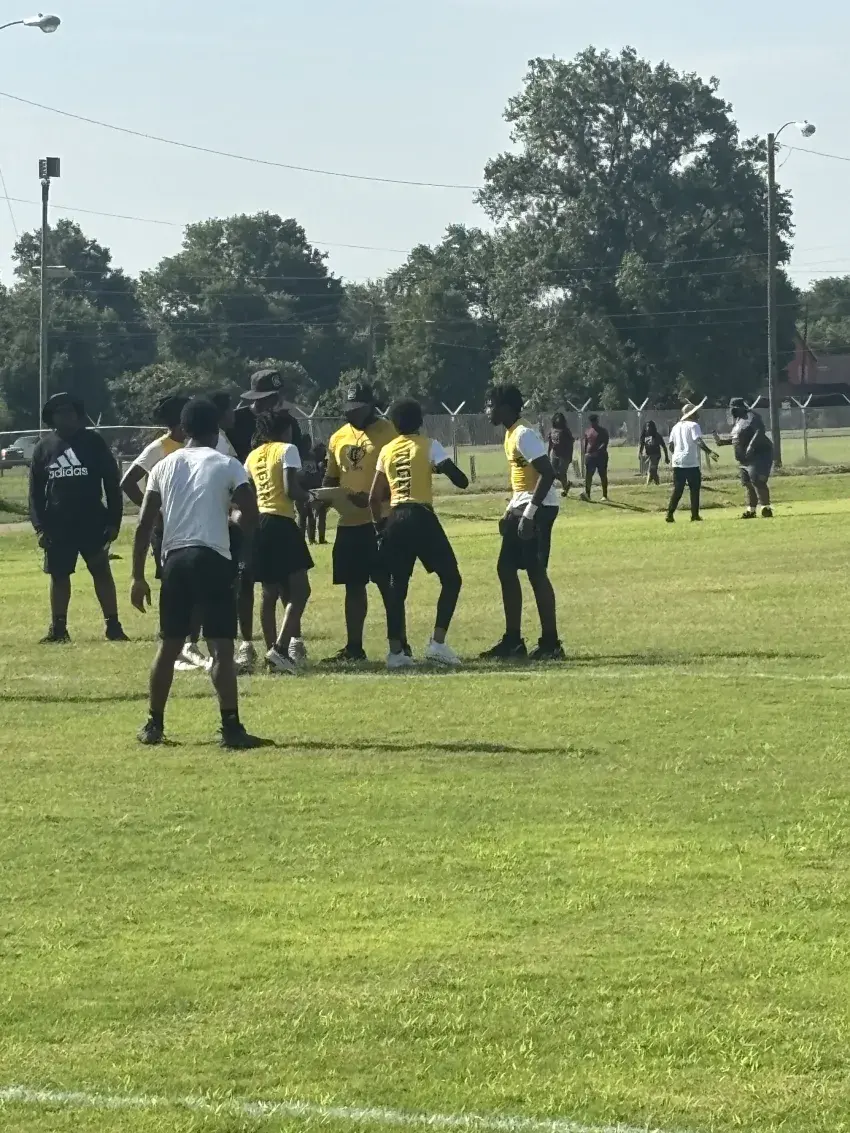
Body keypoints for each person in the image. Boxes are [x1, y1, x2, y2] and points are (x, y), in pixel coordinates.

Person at [131, 398, 266, 750]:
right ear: (216, 430)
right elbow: (250, 512)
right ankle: (231, 728)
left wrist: (137, 576)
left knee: (169, 646)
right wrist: (237, 530)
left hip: (175, 559)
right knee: (221, 647)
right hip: (212, 557)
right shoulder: (227, 463)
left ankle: (154, 724)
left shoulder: (163, 465)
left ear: (184, 428)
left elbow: (144, 523)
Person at [121, 394, 235, 672]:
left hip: (206, 526)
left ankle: (191, 642)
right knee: (179, 590)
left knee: (201, 590)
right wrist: (158, 513)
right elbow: (128, 482)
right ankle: (180, 643)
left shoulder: (211, 442)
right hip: (172, 529)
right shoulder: (160, 449)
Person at [369, 398, 469, 669]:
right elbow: (460, 480)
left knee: (396, 587)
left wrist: (380, 528)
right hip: (421, 516)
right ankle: (438, 643)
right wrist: (440, 468)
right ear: (421, 422)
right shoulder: (429, 445)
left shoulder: (387, 451)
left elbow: (374, 498)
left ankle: (396, 653)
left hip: (395, 519)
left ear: (393, 424)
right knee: (451, 578)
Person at [29, 392, 128, 644]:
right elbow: (35, 493)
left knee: (101, 571)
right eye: (60, 413)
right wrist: (39, 527)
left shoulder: (93, 442)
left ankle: (113, 626)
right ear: (52, 418)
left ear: (77, 415)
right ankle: (58, 629)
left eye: (70, 412)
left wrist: (113, 521)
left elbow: (111, 483)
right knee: (59, 576)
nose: (66, 417)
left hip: (92, 521)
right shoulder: (44, 448)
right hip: (58, 525)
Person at [481, 385, 564, 661]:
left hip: (538, 507)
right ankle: (513, 640)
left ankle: (550, 643)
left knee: (535, 572)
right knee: (506, 569)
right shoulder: (511, 433)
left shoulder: (523, 433)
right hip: (524, 505)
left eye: (490, 404)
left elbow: (547, 473)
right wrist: (510, 511)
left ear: (505, 407)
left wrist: (529, 514)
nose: (487, 410)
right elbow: (521, 479)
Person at [322, 382, 397, 663]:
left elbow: (400, 478)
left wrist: (374, 497)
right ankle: (354, 648)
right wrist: (324, 496)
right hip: (349, 522)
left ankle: (398, 645)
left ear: (370, 406)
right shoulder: (338, 436)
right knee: (353, 586)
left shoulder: (390, 432)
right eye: (348, 408)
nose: (351, 413)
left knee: (388, 584)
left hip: (381, 519)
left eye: (358, 408)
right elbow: (331, 476)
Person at [227, 368, 296, 672]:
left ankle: (290, 641)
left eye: (275, 397)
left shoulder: (286, 423)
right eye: (267, 397)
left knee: (283, 580)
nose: (273, 402)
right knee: (245, 580)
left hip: (274, 509)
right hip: (243, 506)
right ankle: (246, 643)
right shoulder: (235, 421)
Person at [244, 410, 314, 675]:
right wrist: (311, 497)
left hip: (259, 523)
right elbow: (290, 489)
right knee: (300, 590)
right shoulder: (288, 449)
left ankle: (271, 651)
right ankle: (281, 649)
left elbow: (249, 490)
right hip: (282, 522)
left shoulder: (253, 456)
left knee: (269, 592)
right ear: (286, 430)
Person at [714, 398, 774, 519]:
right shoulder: (739, 421)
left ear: (740, 408)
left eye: (733, 408)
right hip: (743, 458)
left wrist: (751, 446)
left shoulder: (752, 417)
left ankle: (766, 508)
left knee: (757, 480)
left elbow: (760, 431)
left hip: (759, 454)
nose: (731, 411)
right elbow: (738, 438)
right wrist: (722, 441)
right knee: (747, 483)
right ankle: (751, 510)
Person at [666, 403, 719, 523]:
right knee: (694, 489)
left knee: (678, 489)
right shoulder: (694, 426)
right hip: (691, 462)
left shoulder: (676, 427)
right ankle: (694, 515)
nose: (698, 415)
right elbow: (698, 440)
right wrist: (709, 452)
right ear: (691, 414)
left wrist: (677, 455)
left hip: (677, 462)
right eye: (695, 412)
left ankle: (669, 514)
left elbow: (671, 446)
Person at [295, 434, 324, 545]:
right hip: (301, 489)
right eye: (306, 442)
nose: (308, 444)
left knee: (312, 515)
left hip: (312, 488)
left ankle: (312, 539)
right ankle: (301, 539)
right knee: (302, 515)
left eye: (309, 442)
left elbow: (316, 470)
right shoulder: (298, 456)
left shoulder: (312, 456)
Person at [581, 414, 610, 501]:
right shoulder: (587, 431)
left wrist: (597, 451)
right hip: (590, 457)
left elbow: (605, 443)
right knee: (588, 476)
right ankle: (587, 494)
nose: (594, 423)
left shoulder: (603, 431)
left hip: (601, 456)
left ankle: (604, 495)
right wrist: (585, 454)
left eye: (595, 421)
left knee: (603, 475)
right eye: (593, 421)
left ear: (597, 421)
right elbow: (585, 444)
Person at [547, 412, 576, 497]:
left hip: (564, 455)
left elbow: (571, 444)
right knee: (553, 473)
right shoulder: (552, 430)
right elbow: (550, 443)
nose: (558, 420)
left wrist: (570, 456)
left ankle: (565, 488)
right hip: (554, 454)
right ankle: (566, 485)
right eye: (557, 418)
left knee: (562, 473)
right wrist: (548, 453)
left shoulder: (566, 431)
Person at [639, 420, 669, 485]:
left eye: (649, 426)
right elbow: (642, 445)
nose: (648, 428)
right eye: (647, 426)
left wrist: (666, 457)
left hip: (656, 455)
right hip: (648, 455)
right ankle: (656, 484)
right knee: (653, 471)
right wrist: (640, 453)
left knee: (651, 470)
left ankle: (648, 484)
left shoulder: (657, 435)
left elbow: (664, 446)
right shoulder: (644, 435)